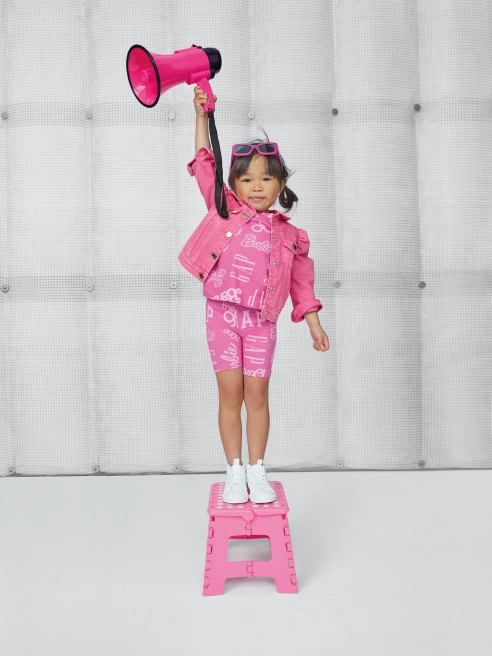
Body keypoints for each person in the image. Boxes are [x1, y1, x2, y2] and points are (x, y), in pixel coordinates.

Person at [178, 85, 329, 504]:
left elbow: (302, 284)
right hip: (221, 317)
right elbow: (204, 163)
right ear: (234, 184)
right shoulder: (224, 208)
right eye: (246, 179)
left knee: (257, 395)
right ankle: (234, 472)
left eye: (266, 178)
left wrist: (314, 324)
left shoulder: (292, 236)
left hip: (262, 322)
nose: (256, 186)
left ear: (281, 184)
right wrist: (201, 116)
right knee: (230, 394)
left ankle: (257, 471)